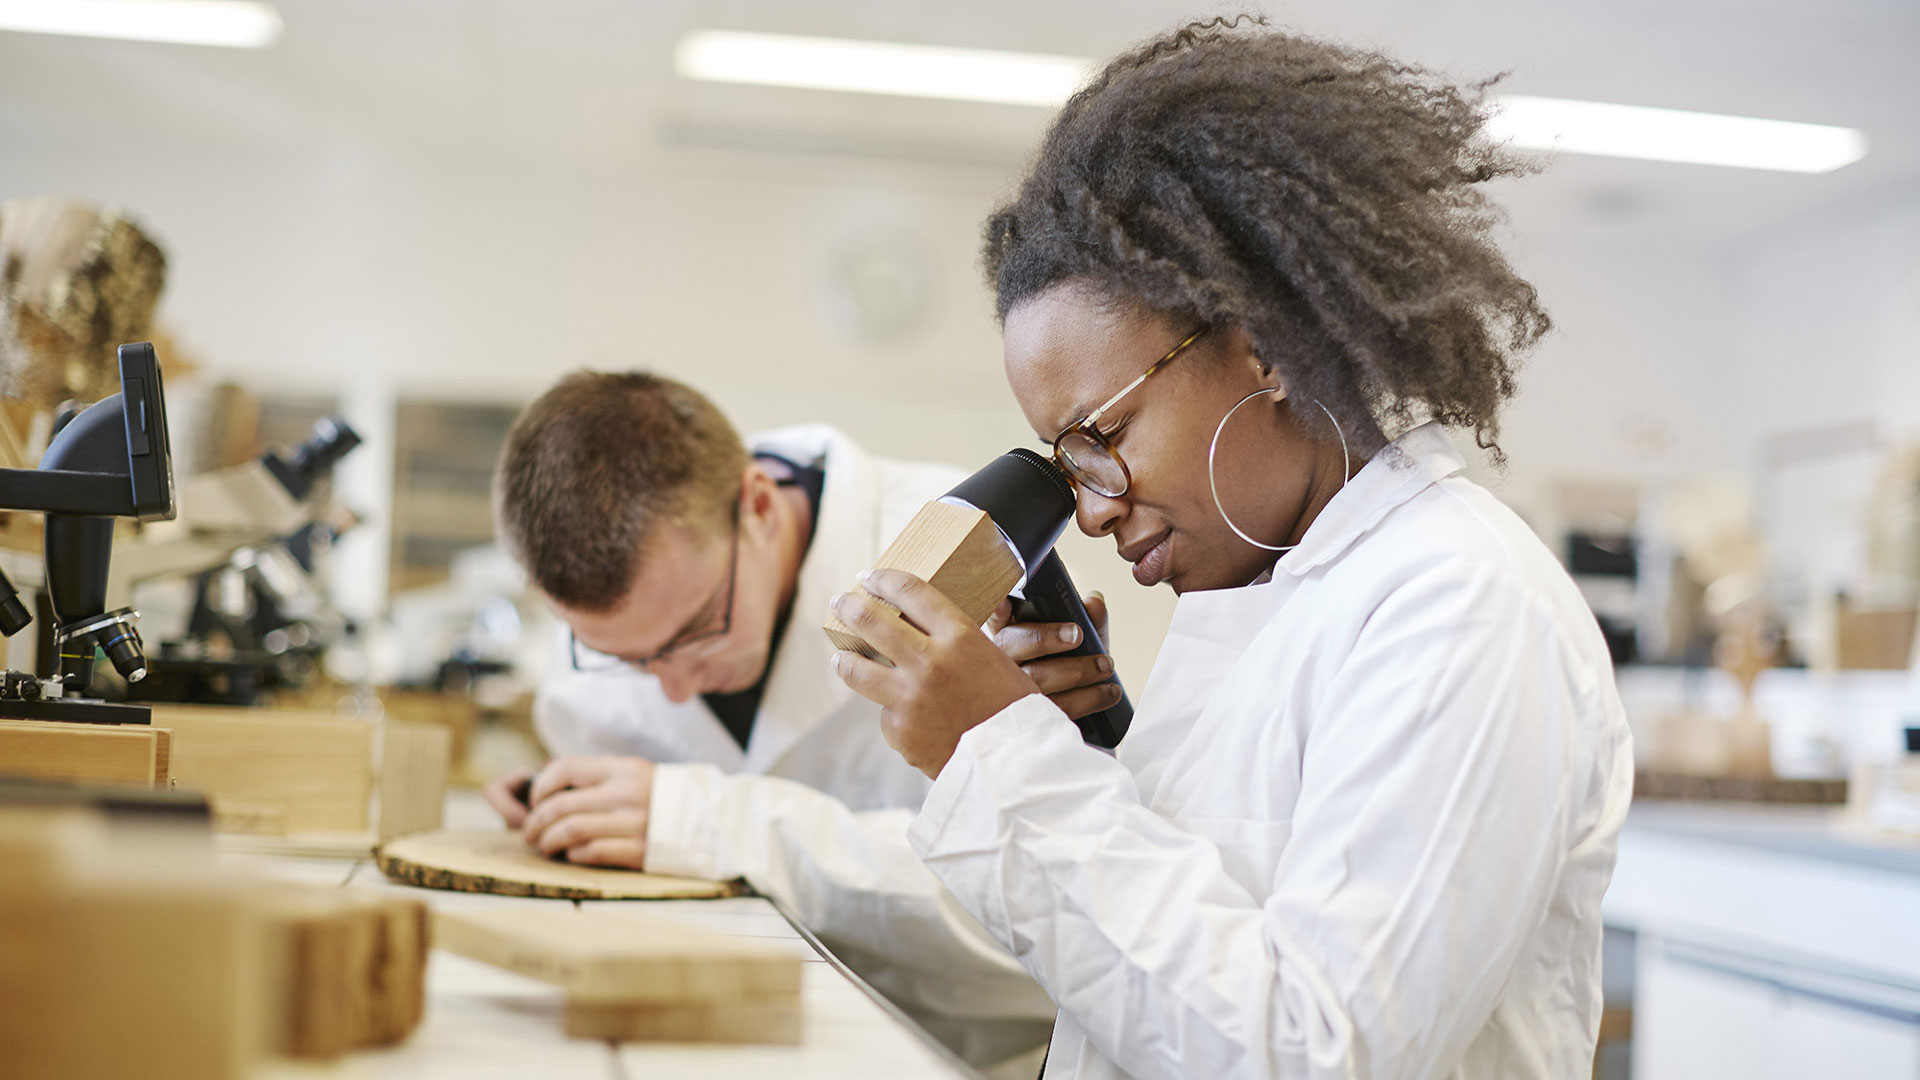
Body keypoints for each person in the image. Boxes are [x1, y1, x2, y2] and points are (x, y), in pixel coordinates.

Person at [828, 19, 1635, 1080]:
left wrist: (999, 759)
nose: (1095, 506)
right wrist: (1091, 762)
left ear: (1264, 349)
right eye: (1064, 460)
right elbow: (1188, 965)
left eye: (1102, 437)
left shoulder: (1464, 604)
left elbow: (1316, 1050)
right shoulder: (1269, 594)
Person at [485, 370, 1080, 1070]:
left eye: (698, 630)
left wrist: (715, 822)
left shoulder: (964, 554)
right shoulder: (598, 645)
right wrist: (574, 810)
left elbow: (1039, 919)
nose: (672, 689)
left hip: (968, 1056)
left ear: (759, 506)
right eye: (630, 658)